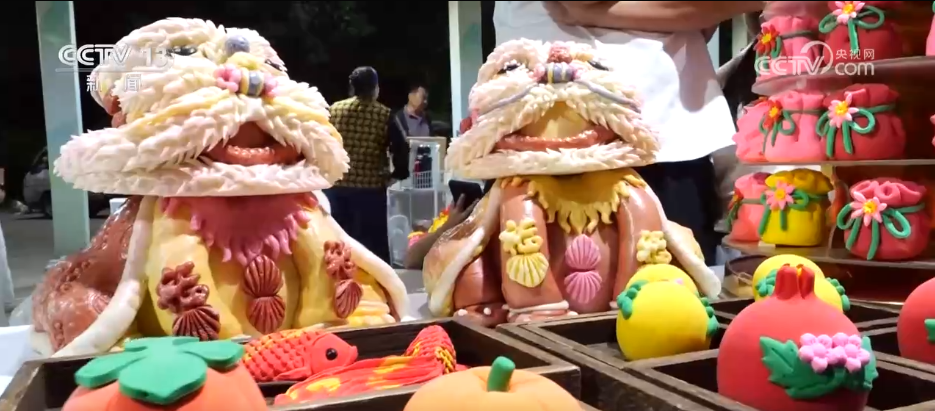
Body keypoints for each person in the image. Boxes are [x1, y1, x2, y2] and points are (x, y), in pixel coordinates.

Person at [493, 1, 765, 265]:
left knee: (677, 286)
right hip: (546, 131)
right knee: (535, 280)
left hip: (669, 129)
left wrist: (597, 15)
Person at [327, 66, 410, 264]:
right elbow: (402, 147)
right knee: (372, 250)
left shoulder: (334, 110)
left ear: (352, 87)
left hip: (337, 188)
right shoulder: (384, 114)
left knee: (338, 243)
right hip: (370, 191)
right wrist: (397, 174)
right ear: (375, 88)